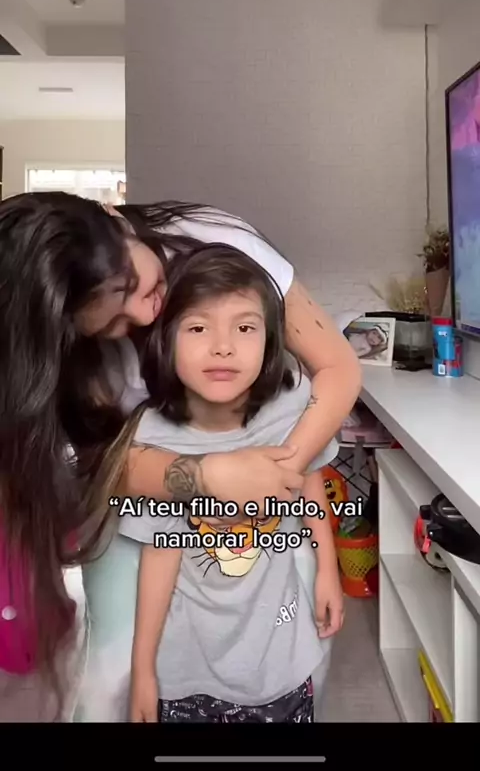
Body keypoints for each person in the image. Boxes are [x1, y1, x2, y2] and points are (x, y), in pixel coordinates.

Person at [0, 192, 360, 718]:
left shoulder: (223, 246)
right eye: (111, 324)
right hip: (142, 496)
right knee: (114, 674)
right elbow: (105, 469)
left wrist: (276, 472)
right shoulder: (120, 400)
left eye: (130, 284)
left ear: (115, 219)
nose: (143, 312)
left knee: (296, 638)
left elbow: (338, 370)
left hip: (268, 511)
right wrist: (206, 476)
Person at [101, 245, 344, 723]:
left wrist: (328, 571)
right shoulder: (154, 443)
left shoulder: (291, 404)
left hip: (281, 653)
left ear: (270, 342)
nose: (223, 346)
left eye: (245, 328)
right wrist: (143, 669)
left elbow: (308, 479)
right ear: (165, 340)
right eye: (197, 328)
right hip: (190, 669)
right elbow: (161, 552)